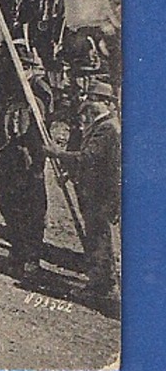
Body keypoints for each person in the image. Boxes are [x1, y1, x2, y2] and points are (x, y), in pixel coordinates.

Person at [52, 81, 121, 305]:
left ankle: (103, 286)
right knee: (96, 237)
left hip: (101, 194)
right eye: (89, 99)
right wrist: (70, 173)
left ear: (106, 103)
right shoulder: (99, 124)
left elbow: (88, 158)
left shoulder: (108, 128)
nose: (89, 105)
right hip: (93, 191)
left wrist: (58, 154)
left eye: (94, 100)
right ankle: (99, 282)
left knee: (99, 239)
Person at [0, 60, 51, 281]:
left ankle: (31, 258)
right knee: (8, 206)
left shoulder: (37, 93)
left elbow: (40, 134)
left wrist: (37, 165)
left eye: (21, 67)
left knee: (32, 211)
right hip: (6, 161)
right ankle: (16, 251)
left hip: (27, 163)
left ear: (28, 68)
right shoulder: (8, 92)